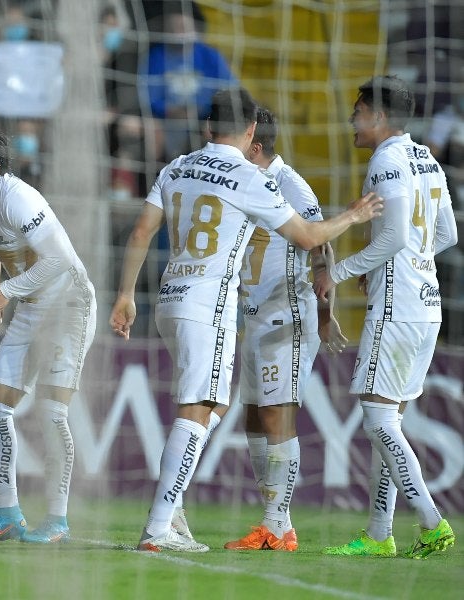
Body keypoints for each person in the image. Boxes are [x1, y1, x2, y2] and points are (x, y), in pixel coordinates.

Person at [109, 87, 383, 553]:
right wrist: (355, 215)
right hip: (215, 306)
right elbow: (313, 234)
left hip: (183, 300)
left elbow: (140, 230)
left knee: (226, 411)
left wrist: (125, 296)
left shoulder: (178, 165)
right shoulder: (248, 177)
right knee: (202, 412)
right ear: (250, 131)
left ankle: (247, 520)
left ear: (208, 125)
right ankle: (162, 524)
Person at [318, 75, 458, 559]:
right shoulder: (428, 158)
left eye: (358, 112)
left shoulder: (386, 160)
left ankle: (432, 522)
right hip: (427, 303)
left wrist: (341, 270)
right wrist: (400, 263)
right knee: (389, 420)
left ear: (379, 117)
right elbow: (446, 234)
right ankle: (380, 534)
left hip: (398, 306)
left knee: (377, 418)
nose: (352, 120)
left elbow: (395, 237)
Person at [0, 121, 97, 544]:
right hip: (32, 306)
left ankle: (57, 521)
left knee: (53, 414)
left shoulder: (18, 197)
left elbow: (59, 259)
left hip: (69, 303)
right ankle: (9, 515)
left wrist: (3, 292)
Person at [223, 107, 347, 552]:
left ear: (254, 145)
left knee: (278, 417)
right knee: (254, 418)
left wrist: (326, 308)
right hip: (253, 316)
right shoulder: (243, 181)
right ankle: (280, 523)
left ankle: (275, 524)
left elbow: (321, 244)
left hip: (288, 316)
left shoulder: (291, 184)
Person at [140, 8, 235, 161]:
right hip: (166, 119)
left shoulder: (211, 56)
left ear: (196, 29)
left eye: (183, 27)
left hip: (204, 118)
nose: (178, 32)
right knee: (149, 133)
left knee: (220, 133)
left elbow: (231, 91)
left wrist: (213, 116)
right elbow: (147, 94)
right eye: (173, 27)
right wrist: (169, 110)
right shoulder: (156, 56)